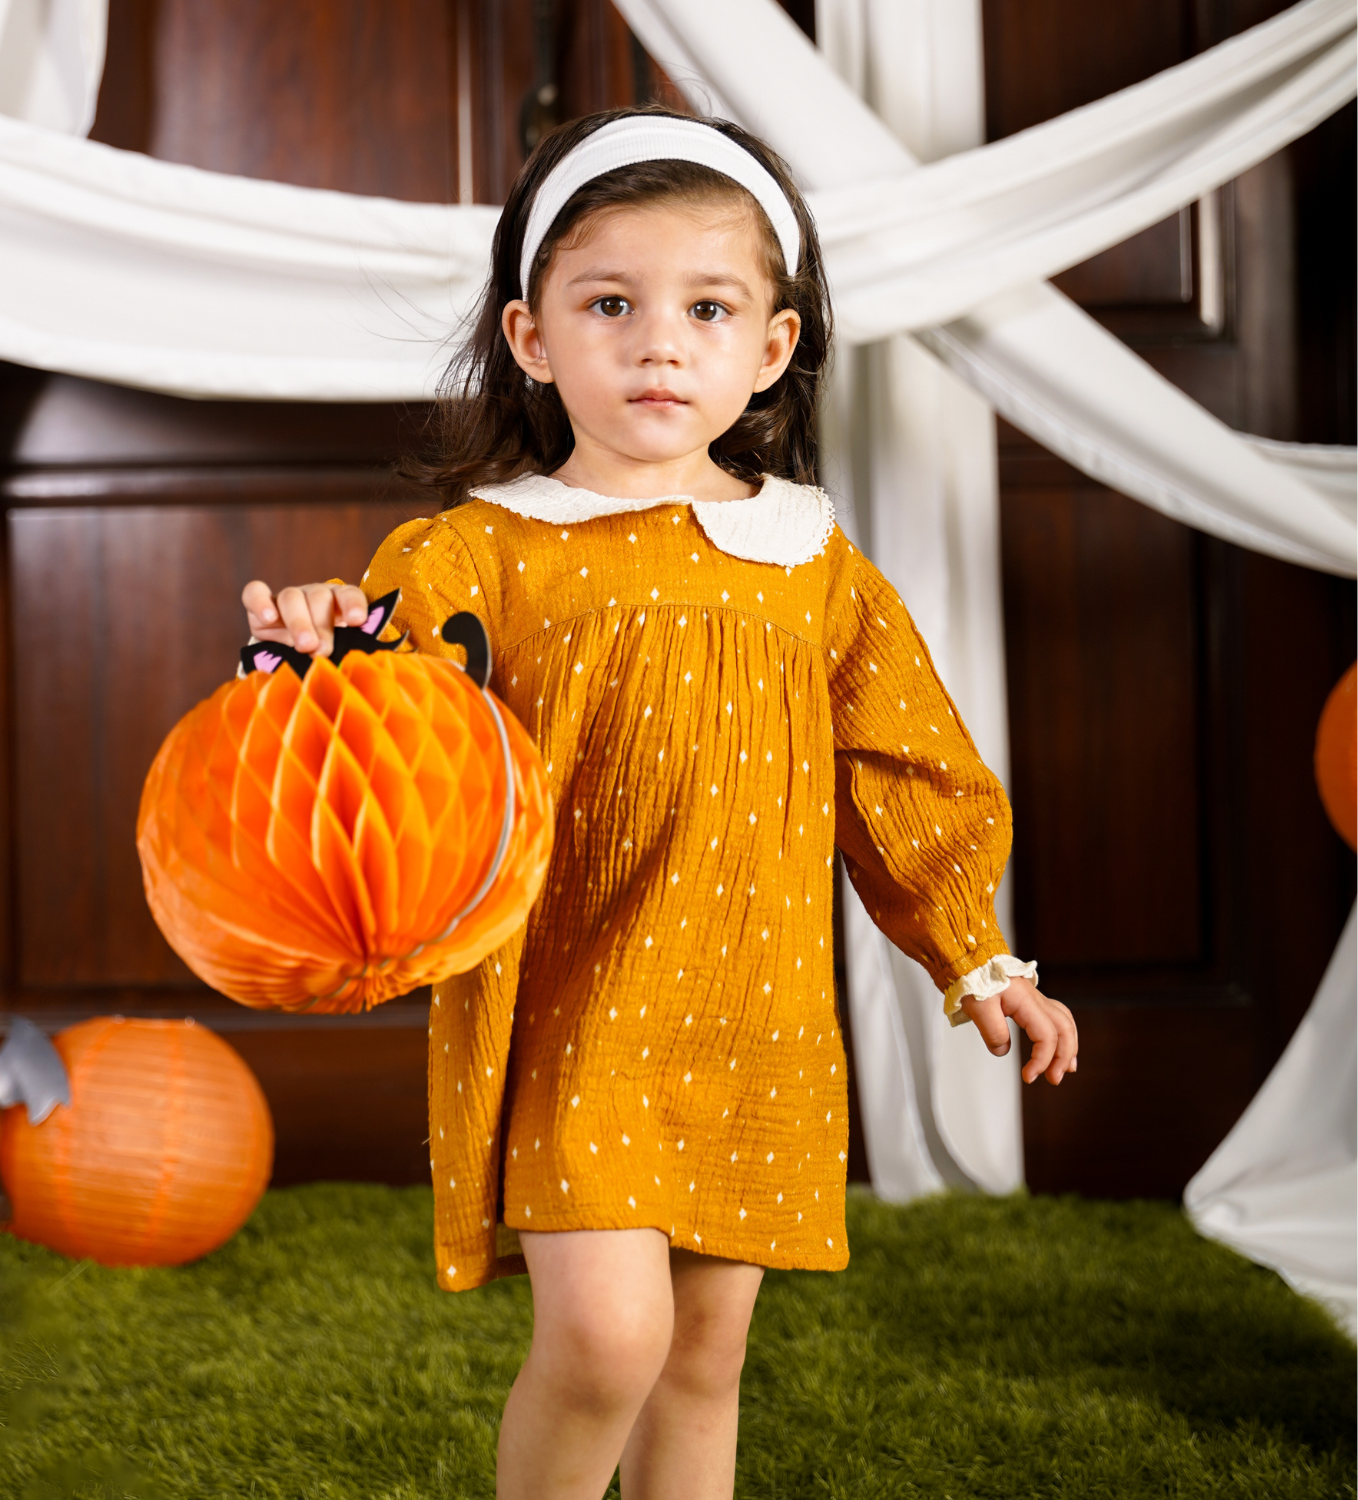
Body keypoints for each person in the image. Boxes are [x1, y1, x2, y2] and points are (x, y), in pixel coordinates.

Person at [240, 106, 1079, 1500]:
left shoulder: (812, 563)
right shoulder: (482, 552)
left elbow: (903, 772)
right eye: (610, 304)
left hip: (753, 1020)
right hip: (574, 1001)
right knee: (607, 1337)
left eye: (707, 307)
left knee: (701, 1358)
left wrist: (971, 951)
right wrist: (322, 646)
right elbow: (383, 717)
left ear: (771, 348)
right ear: (531, 337)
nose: (659, 343)